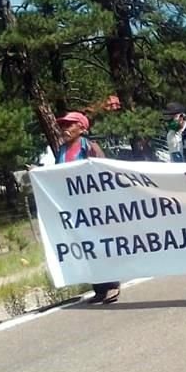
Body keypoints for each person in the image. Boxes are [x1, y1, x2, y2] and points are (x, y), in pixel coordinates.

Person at [54, 111, 121, 304]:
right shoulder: (62, 150)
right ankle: (99, 288)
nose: (65, 129)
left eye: (70, 125)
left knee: (101, 245)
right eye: (63, 126)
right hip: (74, 209)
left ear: (82, 128)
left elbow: (102, 171)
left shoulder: (90, 147)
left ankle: (112, 285)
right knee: (87, 248)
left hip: (94, 206)